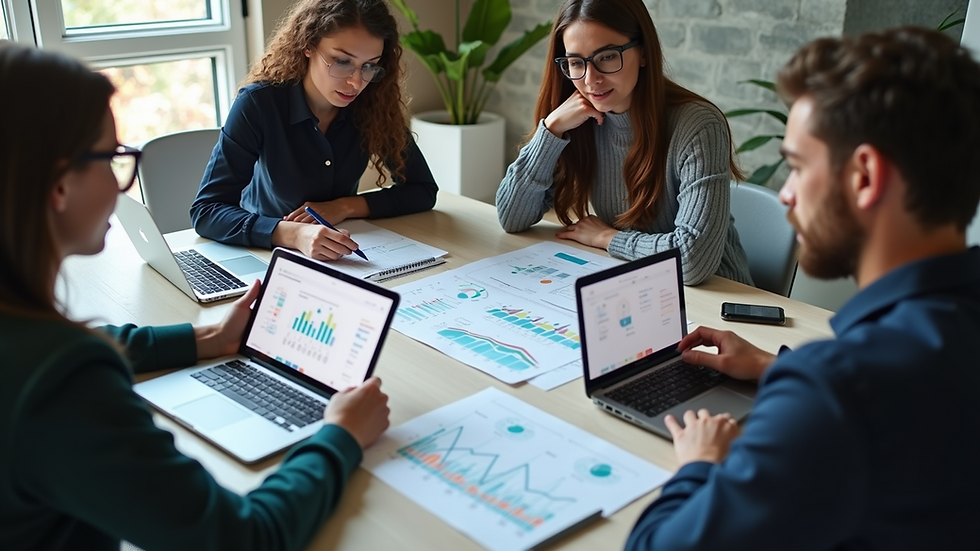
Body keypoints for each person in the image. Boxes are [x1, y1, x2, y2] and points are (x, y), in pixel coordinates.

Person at [0, 42, 391, 551]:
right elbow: (241, 538)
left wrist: (202, 337)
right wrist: (338, 437)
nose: (123, 182)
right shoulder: (62, 383)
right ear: (58, 186)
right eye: (114, 158)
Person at [625, 27, 980, 550]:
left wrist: (700, 465)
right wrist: (779, 367)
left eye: (796, 167)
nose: (785, 196)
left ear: (864, 176)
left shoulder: (833, 396)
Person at [496, 0, 752, 286]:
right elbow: (511, 217)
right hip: (637, 283)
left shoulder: (698, 125)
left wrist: (608, 237)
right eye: (576, 63)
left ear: (642, 52)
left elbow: (693, 261)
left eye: (606, 57)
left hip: (718, 296)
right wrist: (551, 131)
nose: (590, 80)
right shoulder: (580, 120)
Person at [190, 0, 437, 262]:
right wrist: (293, 235)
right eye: (342, 61)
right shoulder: (259, 104)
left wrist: (342, 207)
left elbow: (422, 190)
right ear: (308, 45)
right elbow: (207, 211)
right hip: (262, 253)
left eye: (369, 66)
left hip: (343, 252)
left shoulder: (374, 103)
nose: (356, 82)